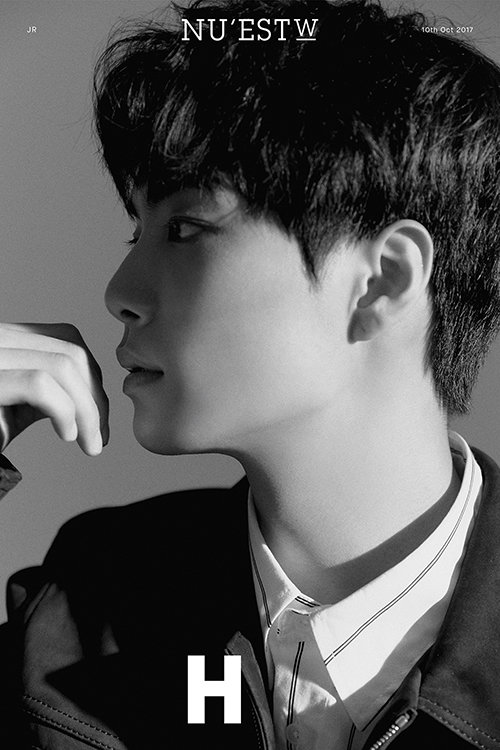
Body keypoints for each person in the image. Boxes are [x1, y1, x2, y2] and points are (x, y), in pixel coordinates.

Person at [1, 0, 500, 747]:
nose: (119, 293)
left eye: (185, 228)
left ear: (381, 281)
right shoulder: (85, 610)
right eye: (137, 232)